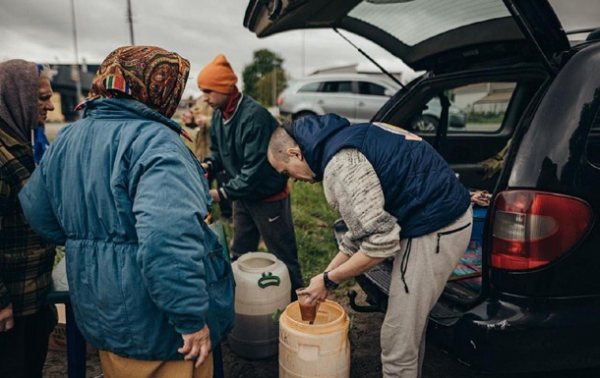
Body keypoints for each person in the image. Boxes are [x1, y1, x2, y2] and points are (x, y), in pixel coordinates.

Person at [18, 46, 234, 378]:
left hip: (101, 309)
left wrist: (86, 238)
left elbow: (36, 211)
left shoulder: (68, 136)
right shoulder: (159, 143)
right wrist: (190, 321)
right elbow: (168, 240)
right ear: (161, 89)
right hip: (162, 329)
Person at [268, 114, 473, 378]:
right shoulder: (347, 137)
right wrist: (325, 276)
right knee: (407, 326)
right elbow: (362, 231)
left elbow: (381, 244)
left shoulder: (340, 167)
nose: (292, 180)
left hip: (437, 226)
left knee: (397, 337)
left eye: (286, 173)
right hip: (434, 213)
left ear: (296, 154)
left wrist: (331, 280)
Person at [197, 54, 304, 295]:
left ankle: (298, 304)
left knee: (284, 257)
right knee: (239, 253)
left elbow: (254, 169)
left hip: (267, 195)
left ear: (226, 88)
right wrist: (208, 166)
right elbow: (218, 152)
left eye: (208, 91)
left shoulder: (253, 117)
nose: (204, 97)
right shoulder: (218, 114)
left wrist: (220, 193)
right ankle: (242, 301)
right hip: (243, 196)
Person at [0, 60, 56, 378]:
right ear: (15, 96)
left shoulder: (22, 143)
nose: (49, 106)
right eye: (42, 98)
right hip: (10, 306)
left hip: (30, 298)